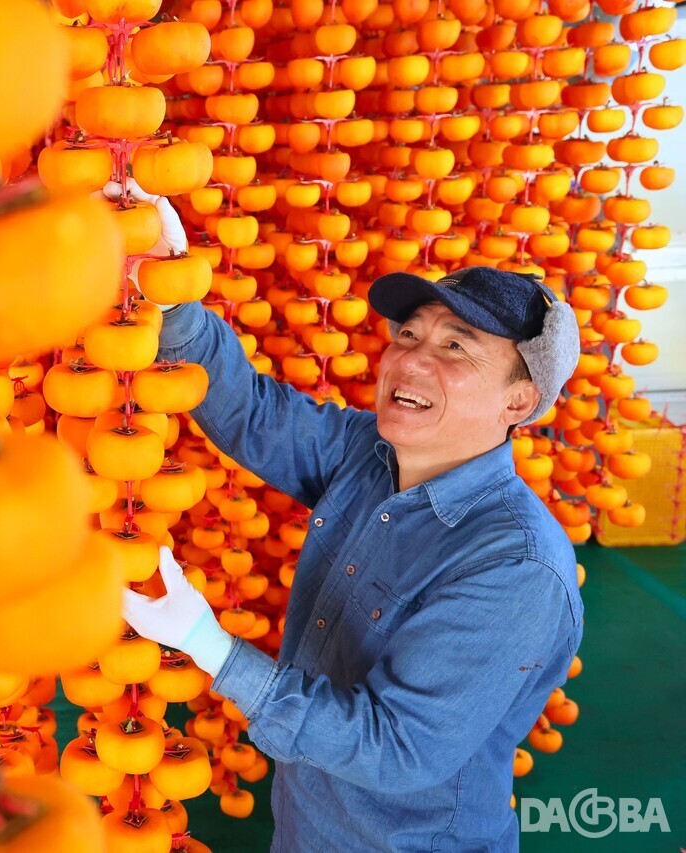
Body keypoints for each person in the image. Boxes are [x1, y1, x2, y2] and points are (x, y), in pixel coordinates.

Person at [111, 181, 585, 851]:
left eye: (456, 347)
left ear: (519, 401)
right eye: (409, 333)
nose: (409, 358)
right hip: (306, 824)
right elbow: (251, 410)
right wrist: (169, 292)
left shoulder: (515, 567)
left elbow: (395, 749)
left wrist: (211, 645)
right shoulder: (368, 451)